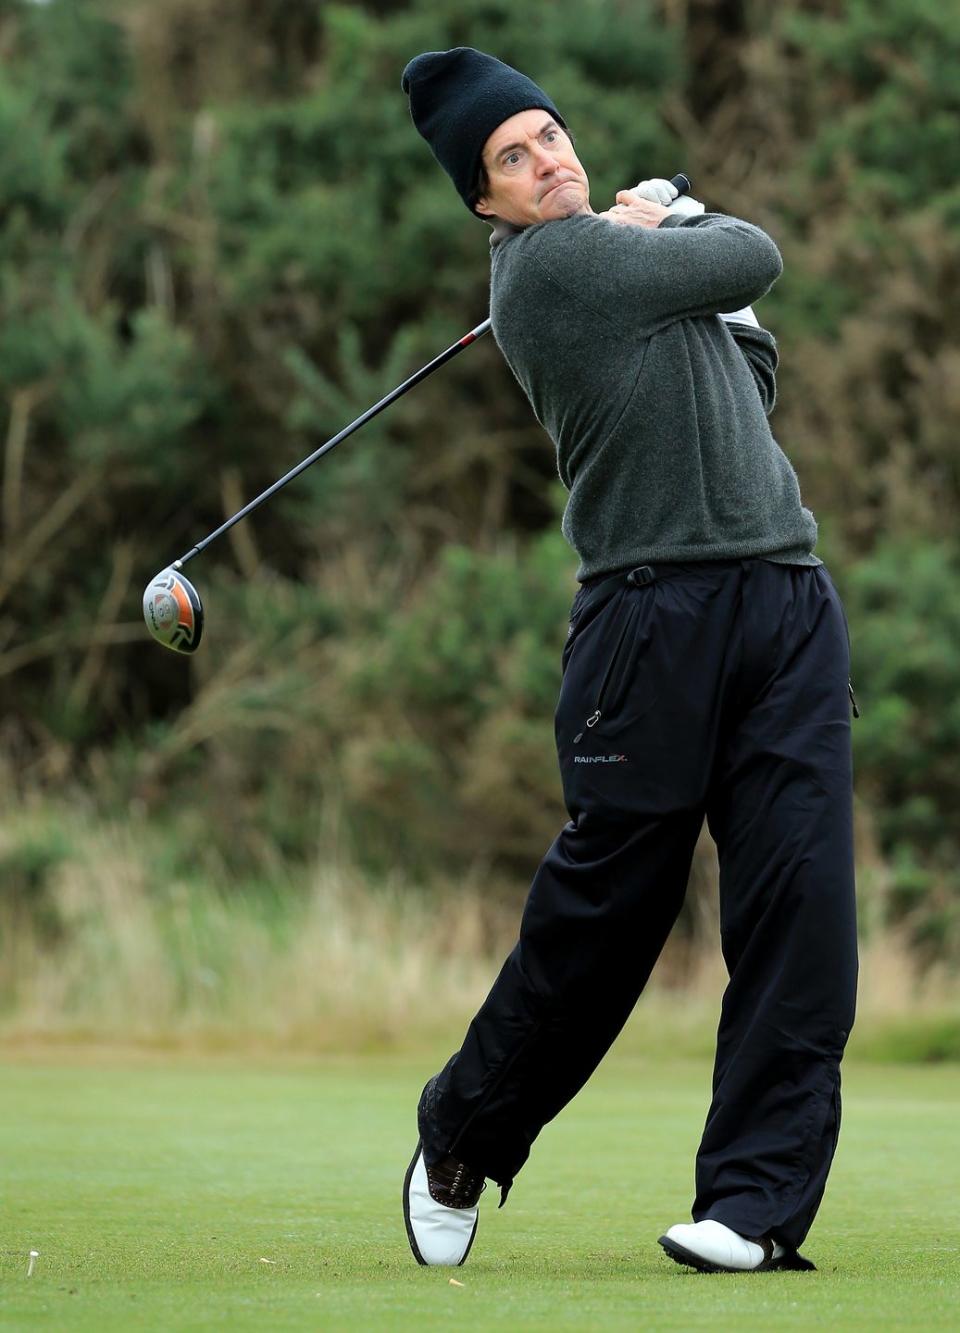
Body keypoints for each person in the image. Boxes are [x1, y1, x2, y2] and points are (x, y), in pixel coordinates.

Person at [399, 46, 858, 1275]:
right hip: (649, 619)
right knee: (611, 915)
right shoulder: (552, 268)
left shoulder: (619, 263)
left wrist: (672, 254)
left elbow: (745, 371)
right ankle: (463, 1126)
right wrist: (665, 218)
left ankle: (753, 1208)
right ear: (485, 203)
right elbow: (751, 255)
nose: (545, 161)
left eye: (549, 136)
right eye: (512, 156)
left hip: (785, 601)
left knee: (798, 908)